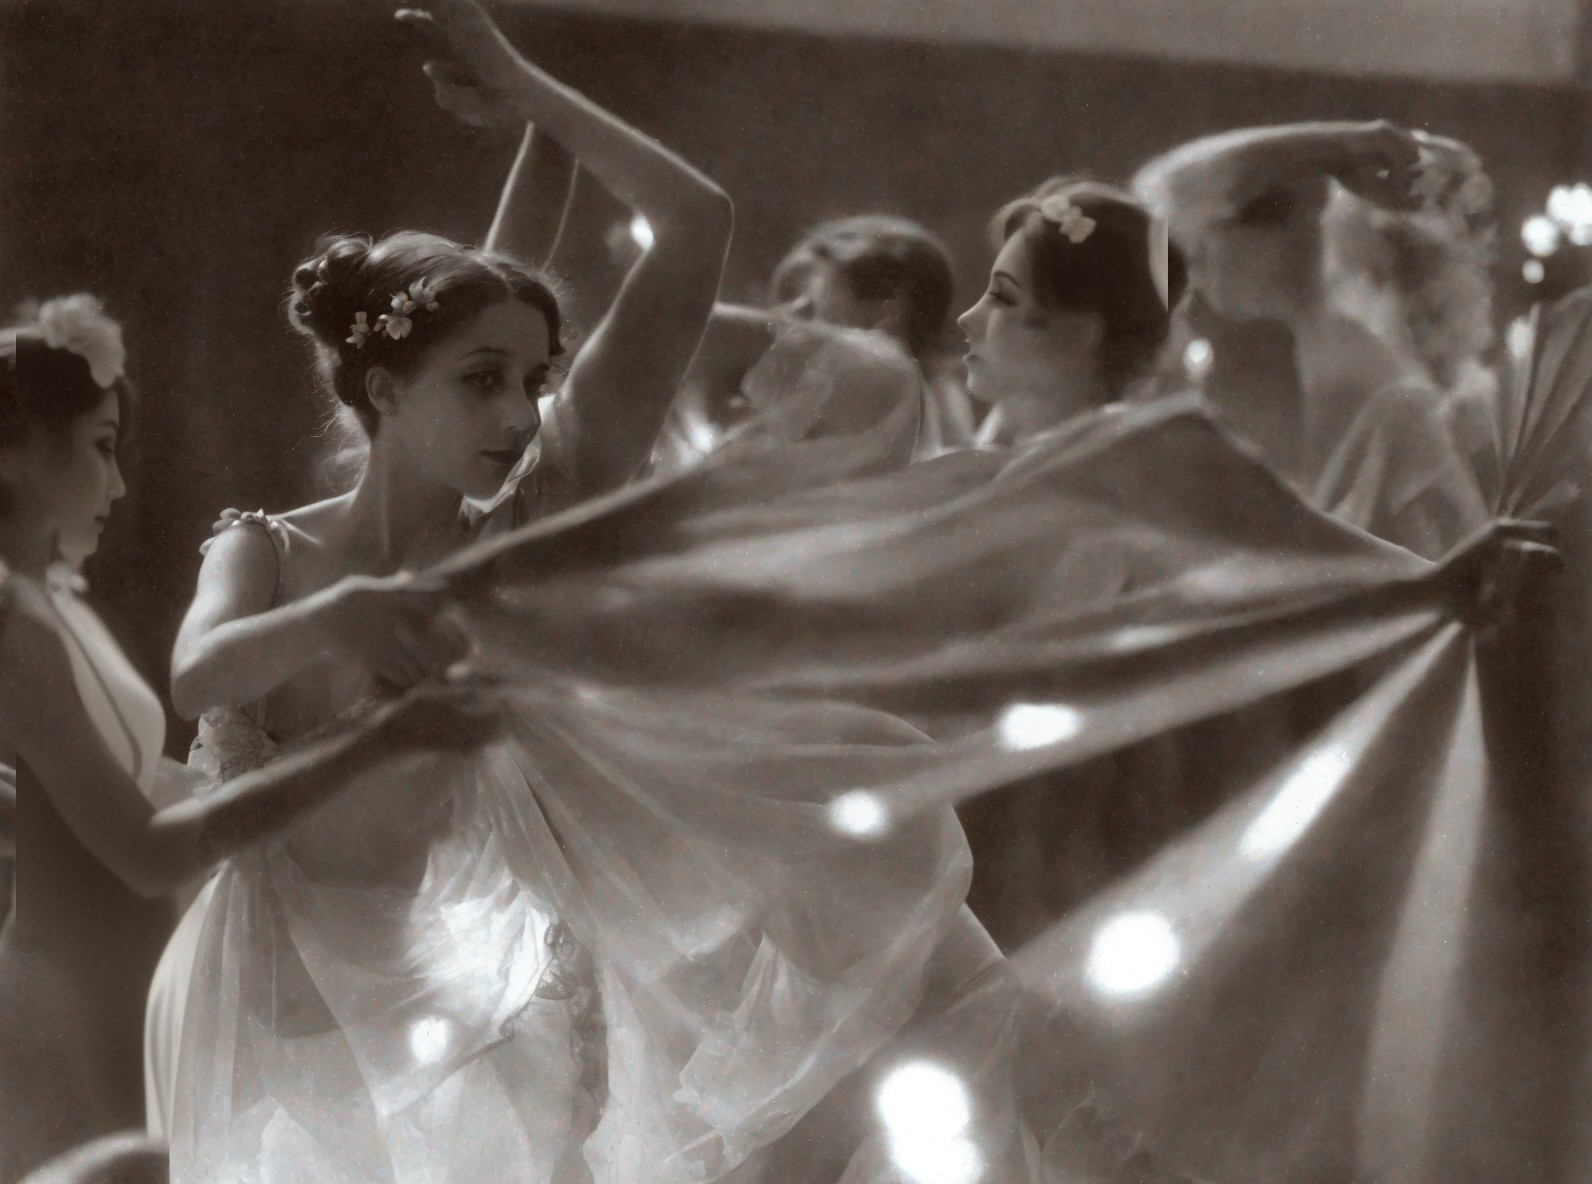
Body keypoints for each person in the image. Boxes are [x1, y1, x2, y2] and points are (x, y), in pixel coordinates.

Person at [143, 2, 740, 1178]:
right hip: (272, 1010)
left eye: (536, 380)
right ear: (381, 388)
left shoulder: (520, 531)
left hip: (468, 996)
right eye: (484, 383)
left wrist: (527, 91)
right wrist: (340, 616)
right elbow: (200, 672)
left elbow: (696, 224)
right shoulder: (266, 549)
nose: (522, 415)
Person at [0, 296, 501, 1183]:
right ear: (19, 450)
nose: (118, 485)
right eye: (102, 448)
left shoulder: (50, 604)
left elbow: (114, 777)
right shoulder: (21, 621)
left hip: (136, 964)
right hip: (68, 991)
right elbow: (150, 855)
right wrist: (375, 743)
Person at [1132, 120, 1493, 558]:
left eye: (1208, 234)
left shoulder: (1376, 382)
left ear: (1300, 216)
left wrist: (1330, 148)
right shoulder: (1324, 358)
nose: (1197, 265)